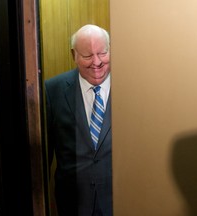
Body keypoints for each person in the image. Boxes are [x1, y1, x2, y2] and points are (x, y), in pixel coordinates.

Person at [44, 24, 112, 216]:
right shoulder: (53, 90)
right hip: (73, 203)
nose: (97, 62)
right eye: (88, 56)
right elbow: (43, 157)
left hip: (119, 199)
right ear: (73, 55)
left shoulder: (129, 86)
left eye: (102, 53)